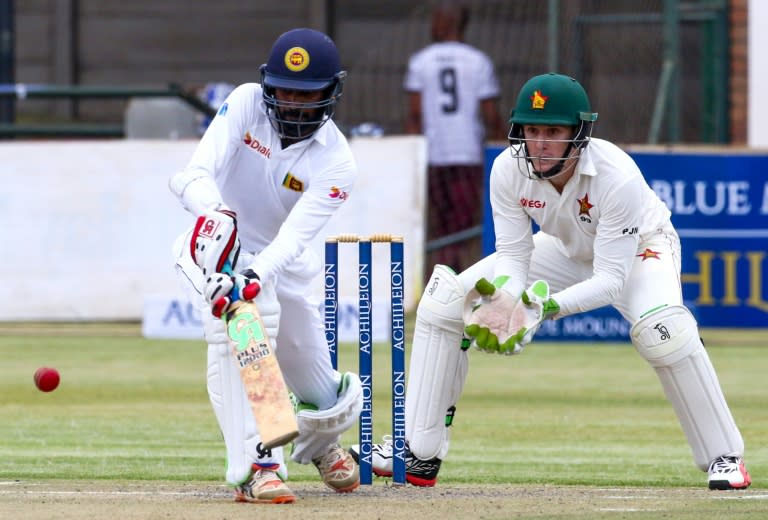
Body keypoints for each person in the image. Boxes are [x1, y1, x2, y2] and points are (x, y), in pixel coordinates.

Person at [355, 72, 751, 491]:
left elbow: (612, 280)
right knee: (444, 304)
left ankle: (724, 456)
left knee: (661, 332)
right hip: (563, 248)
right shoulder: (508, 168)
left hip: (638, 252)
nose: (539, 143)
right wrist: (506, 299)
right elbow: (513, 252)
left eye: (553, 131)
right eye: (531, 130)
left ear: (578, 134)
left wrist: (540, 308)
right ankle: (419, 452)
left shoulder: (618, 177)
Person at [169, 28, 363, 504]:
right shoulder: (247, 103)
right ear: (268, 85)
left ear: (330, 92)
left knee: (320, 386)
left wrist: (255, 276)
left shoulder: (337, 162)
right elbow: (192, 175)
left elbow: (295, 238)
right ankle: (259, 465)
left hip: (282, 265)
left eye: (306, 92)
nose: (292, 102)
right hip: (220, 252)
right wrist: (220, 223)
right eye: (284, 90)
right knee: (241, 337)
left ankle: (321, 442)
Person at [403, 1, 506, 278]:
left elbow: (415, 115)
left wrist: (413, 158)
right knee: (464, 224)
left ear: (447, 22)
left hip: (434, 156)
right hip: (468, 153)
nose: (431, 26)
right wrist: (500, 154)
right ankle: (454, 276)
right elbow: (491, 115)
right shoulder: (478, 61)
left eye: (435, 20)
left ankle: (444, 276)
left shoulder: (420, 61)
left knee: (440, 225)